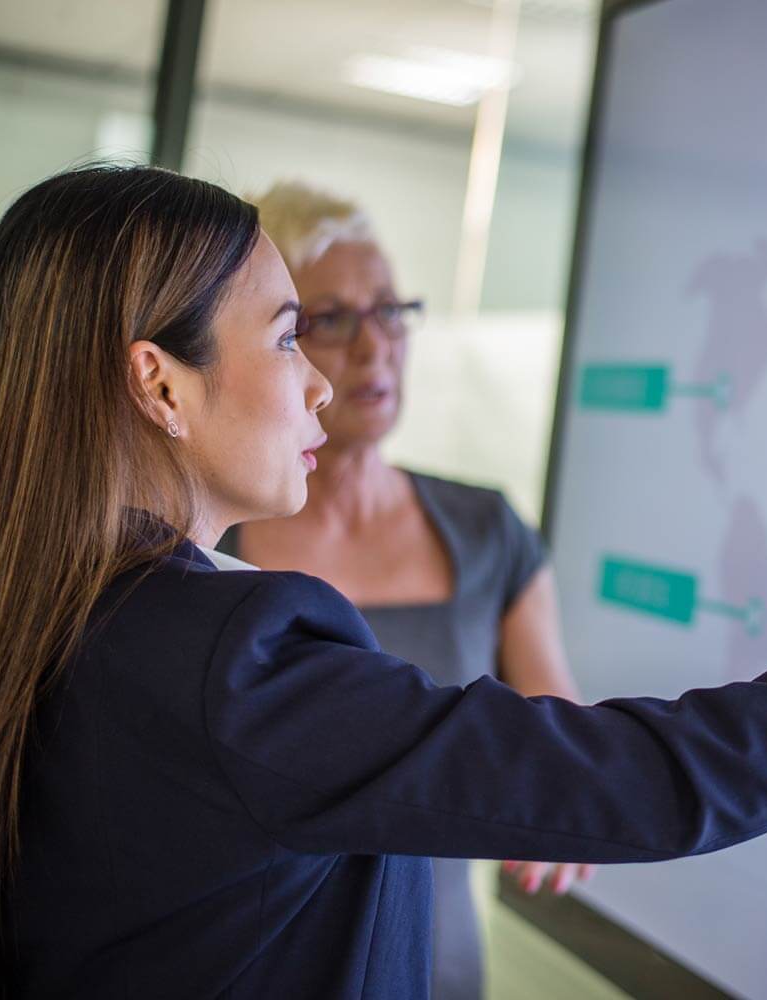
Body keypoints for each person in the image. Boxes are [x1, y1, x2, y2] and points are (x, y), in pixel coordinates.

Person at [0, 165, 767, 999]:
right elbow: (657, 779)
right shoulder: (227, 654)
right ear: (162, 383)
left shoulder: (62, 610)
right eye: (292, 334)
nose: (326, 381)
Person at [212, 182, 591, 1000]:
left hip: (437, 970)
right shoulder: (210, 540)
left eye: (389, 310)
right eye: (330, 319)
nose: (374, 345)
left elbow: (557, 733)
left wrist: (563, 809)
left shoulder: (487, 531)